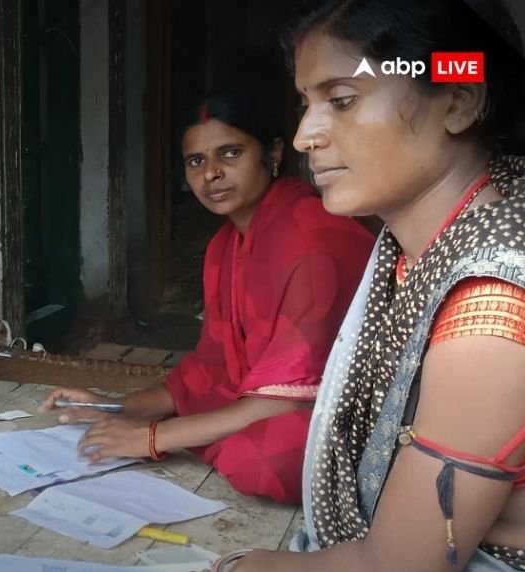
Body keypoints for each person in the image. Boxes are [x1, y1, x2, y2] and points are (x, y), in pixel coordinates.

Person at [88, 0, 525, 572]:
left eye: (342, 100)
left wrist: (242, 566)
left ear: (459, 100)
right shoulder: (420, 245)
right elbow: (212, 364)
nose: (305, 137)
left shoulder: (491, 306)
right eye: (304, 104)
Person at [42, 90, 374, 504]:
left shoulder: (310, 241)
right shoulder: (226, 245)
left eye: (230, 153)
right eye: (196, 161)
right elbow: (213, 370)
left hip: (349, 413)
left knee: (265, 459)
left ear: (271, 153)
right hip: (271, 402)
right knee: (227, 431)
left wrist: (151, 436)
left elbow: (293, 397)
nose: (211, 173)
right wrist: (120, 409)